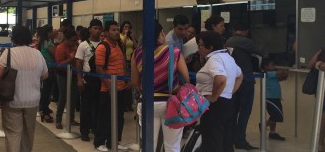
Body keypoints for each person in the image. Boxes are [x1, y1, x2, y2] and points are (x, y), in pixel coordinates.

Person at [131, 20, 190, 152]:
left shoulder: (138, 53)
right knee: (172, 145)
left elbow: (134, 82)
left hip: (147, 102)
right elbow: (186, 78)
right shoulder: (173, 51)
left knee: (148, 145)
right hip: (171, 103)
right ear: (161, 33)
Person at [0, 26, 49, 152]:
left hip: (12, 99)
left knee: (13, 134)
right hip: (33, 101)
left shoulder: (8, 53)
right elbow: (45, 75)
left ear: (14, 38)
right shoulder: (38, 54)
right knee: (28, 134)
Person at [195, 31, 243, 152]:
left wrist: (214, 97)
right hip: (227, 103)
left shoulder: (214, 59)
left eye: (200, 45)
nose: (198, 48)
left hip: (215, 106)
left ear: (210, 47)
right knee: (225, 140)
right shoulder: (228, 58)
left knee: (213, 140)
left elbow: (221, 79)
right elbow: (240, 76)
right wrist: (230, 92)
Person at [225, 23, 264, 150]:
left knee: (233, 111)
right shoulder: (246, 41)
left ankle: (230, 139)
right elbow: (261, 51)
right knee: (245, 112)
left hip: (232, 81)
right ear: (246, 31)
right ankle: (240, 140)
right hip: (246, 80)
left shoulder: (229, 40)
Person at [93, 20, 128, 151]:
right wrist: (109, 86)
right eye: (113, 30)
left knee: (119, 117)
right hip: (107, 89)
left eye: (117, 29)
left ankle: (114, 141)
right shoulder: (102, 47)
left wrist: (125, 80)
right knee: (105, 116)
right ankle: (100, 142)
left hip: (121, 88)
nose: (116, 32)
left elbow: (123, 64)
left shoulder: (118, 46)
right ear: (106, 33)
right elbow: (99, 69)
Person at [75, 19, 103, 142]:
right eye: (95, 28)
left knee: (98, 107)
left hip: (100, 80)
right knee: (86, 107)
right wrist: (79, 79)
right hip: (87, 79)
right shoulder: (83, 45)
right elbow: (78, 63)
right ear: (90, 29)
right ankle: (84, 131)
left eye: (99, 28)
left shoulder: (103, 44)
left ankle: (96, 129)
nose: (97, 30)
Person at [54, 28, 79, 129]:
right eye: (72, 40)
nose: (74, 42)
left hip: (73, 74)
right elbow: (59, 65)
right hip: (63, 75)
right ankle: (58, 120)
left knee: (73, 97)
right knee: (63, 97)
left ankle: (71, 119)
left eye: (75, 40)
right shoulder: (60, 48)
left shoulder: (76, 46)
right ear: (67, 39)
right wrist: (70, 59)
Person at [260, 58, 287, 141]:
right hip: (270, 99)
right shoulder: (267, 73)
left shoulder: (272, 74)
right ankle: (263, 125)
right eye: (272, 65)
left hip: (276, 98)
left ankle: (272, 133)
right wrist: (285, 70)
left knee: (273, 116)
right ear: (265, 66)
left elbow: (279, 78)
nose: (274, 66)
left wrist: (284, 76)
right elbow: (280, 73)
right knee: (277, 116)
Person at [37, 25, 56, 123]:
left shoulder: (41, 42)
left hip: (43, 68)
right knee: (47, 91)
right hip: (49, 69)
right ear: (48, 32)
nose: (53, 33)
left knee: (45, 90)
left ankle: (44, 108)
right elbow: (55, 54)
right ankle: (45, 112)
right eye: (52, 31)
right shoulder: (48, 43)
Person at [308, 47, 325, 151]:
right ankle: (320, 143)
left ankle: (320, 143)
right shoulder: (322, 51)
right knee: (323, 117)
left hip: (321, 89)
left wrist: (318, 64)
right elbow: (311, 65)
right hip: (322, 89)